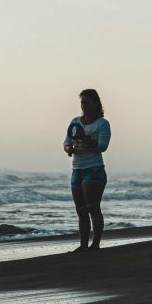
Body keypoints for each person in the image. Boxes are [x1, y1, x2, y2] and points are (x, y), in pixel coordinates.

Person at [63, 88, 111, 251]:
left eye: (87, 102)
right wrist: (69, 148)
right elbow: (66, 141)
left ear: (96, 103)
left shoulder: (102, 124)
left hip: (94, 169)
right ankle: (83, 245)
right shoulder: (75, 121)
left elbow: (102, 147)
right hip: (77, 169)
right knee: (81, 211)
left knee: (93, 208)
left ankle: (95, 244)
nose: (84, 106)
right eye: (82, 102)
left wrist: (84, 138)